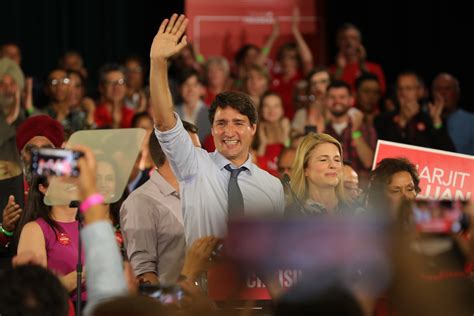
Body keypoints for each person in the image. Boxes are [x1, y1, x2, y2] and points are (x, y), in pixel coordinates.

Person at [150, 14, 285, 245]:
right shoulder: (193, 165)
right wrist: (158, 62)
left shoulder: (272, 187)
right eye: (221, 123)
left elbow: (275, 248)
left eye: (238, 123)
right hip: (202, 279)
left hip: (252, 280)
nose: (229, 131)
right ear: (212, 129)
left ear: (253, 128)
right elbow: (165, 123)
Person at [120, 121, 201, 285]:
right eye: (195, 150)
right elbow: (144, 274)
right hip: (171, 307)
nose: (203, 156)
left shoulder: (200, 195)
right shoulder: (140, 202)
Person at [374, 71, 455, 152]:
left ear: (420, 91)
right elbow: (385, 151)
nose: (403, 93)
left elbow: (449, 152)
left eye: (408, 88)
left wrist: (436, 121)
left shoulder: (430, 119)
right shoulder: (383, 119)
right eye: (400, 88)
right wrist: (402, 122)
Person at [324, 80, 376, 182]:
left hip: (358, 191)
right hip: (328, 190)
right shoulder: (322, 129)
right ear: (326, 100)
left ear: (351, 100)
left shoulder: (365, 129)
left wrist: (355, 132)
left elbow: (368, 162)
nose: (337, 101)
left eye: (342, 97)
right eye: (332, 97)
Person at [287, 133, 349, 215]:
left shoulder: (356, 211)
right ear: (305, 169)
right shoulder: (291, 215)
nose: (333, 165)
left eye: (337, 160)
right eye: (323, 160)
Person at [329, 23, 386, 93]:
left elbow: (379, 93)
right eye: (344, 38)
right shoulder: (331, 71)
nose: (349, 42)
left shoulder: (374, 68)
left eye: (353, 38)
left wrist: (362, 66)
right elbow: (329, 93)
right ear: (338, 42)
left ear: (359, 42)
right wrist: (340, 69)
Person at [431, 72, 474, 155]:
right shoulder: (424, 120)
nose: (442, 93)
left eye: (447, 89)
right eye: (438, 89)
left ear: (457, 93)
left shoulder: (471, 121)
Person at [291, 67, 331, 135]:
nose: (318, 86)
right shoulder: (302, 114)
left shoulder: (348, 113)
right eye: (314, 83)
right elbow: (293, 141)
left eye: (323, 81)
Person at [175, 68, 211, 143]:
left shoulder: (211, 114)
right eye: (186, 84)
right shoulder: (173, 113)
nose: (190, 89)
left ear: (202, 89)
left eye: (195, 85)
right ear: (180, 89)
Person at [94, 63, 134, 129]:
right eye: (110, 82)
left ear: (126, 86)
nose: (116, 87)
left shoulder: (132, 114)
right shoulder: (93, 113)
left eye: (120, 82)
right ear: (101, 87)